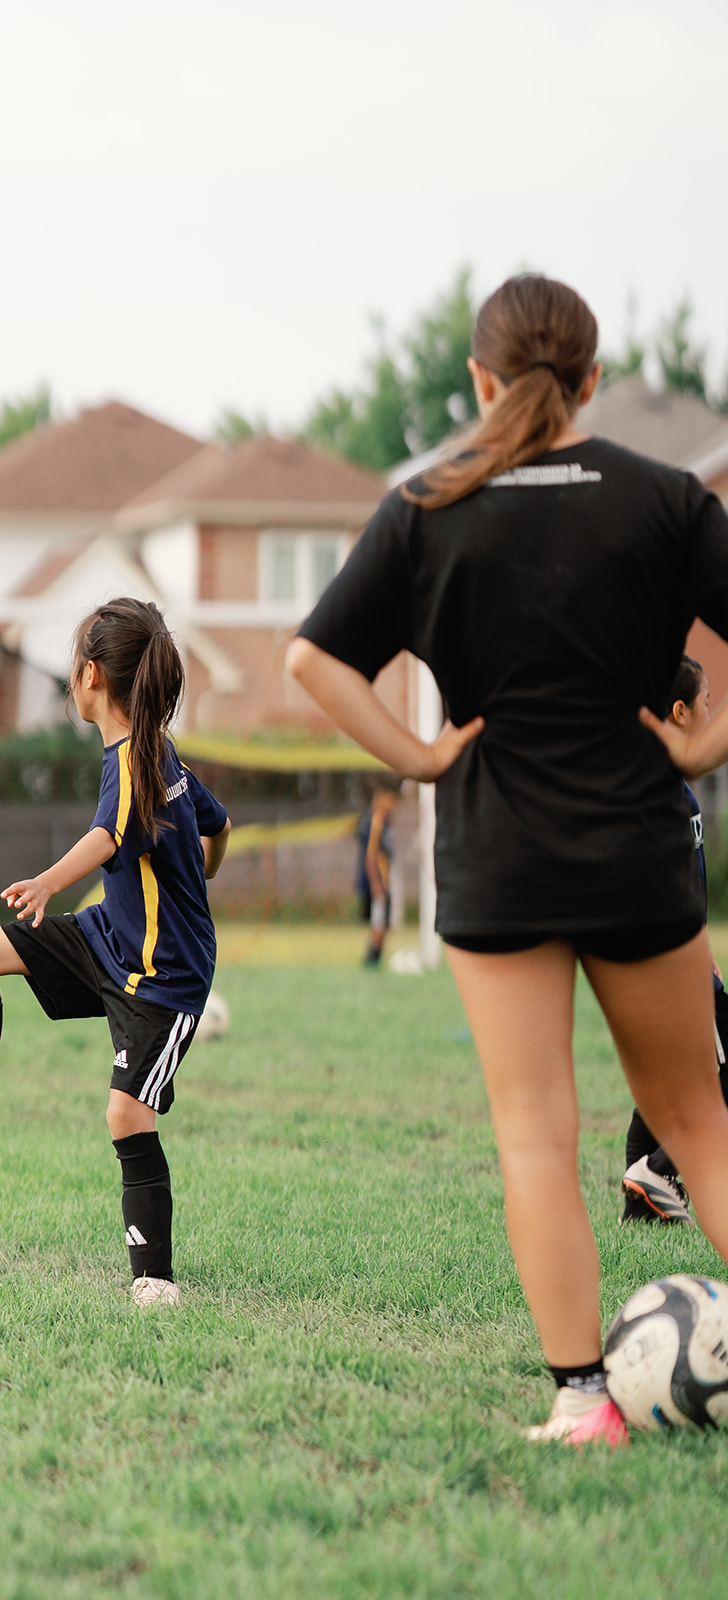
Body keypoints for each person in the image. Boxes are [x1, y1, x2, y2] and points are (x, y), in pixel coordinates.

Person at [286, 273, 728, 1447]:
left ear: (479, 382)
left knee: (534, 1133)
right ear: (590, 379)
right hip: (637, 846)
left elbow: (310, 663)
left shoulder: (424, 507)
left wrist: (423, 756)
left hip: (495, 856)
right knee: (695, 1118)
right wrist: (704, 744)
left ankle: (582, 1403)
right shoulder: (666, 498)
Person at [0, 597, 232, 1306]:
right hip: (109, 937)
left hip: (163, 976)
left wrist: (46, 882)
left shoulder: (138, 758)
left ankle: (154, 1280)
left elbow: (109, 835)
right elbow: (220, 823)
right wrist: (203, 863)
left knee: (126, 1115)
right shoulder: (153, 749)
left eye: (71, 665)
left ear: (90, 676)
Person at [621, 656, 728, 1222]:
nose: (712, 712)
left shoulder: (649, 780)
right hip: (674, 959)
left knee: (660, 1079)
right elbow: (672, 887)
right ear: (680, 710)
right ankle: (659, 1170)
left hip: (656, 959)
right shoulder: (668, 792)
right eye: (707, 700)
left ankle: (640, 1208)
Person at [355, 782, 398, 966]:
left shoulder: (384, 820)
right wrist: (376, 884)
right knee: (379, 922)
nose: (393, 804)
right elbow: (370, 855)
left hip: (384, 880)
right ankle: (371, 960)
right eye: (391, 799)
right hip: (377, 881)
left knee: (383, 922)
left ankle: (375, 958)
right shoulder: (376, 820)